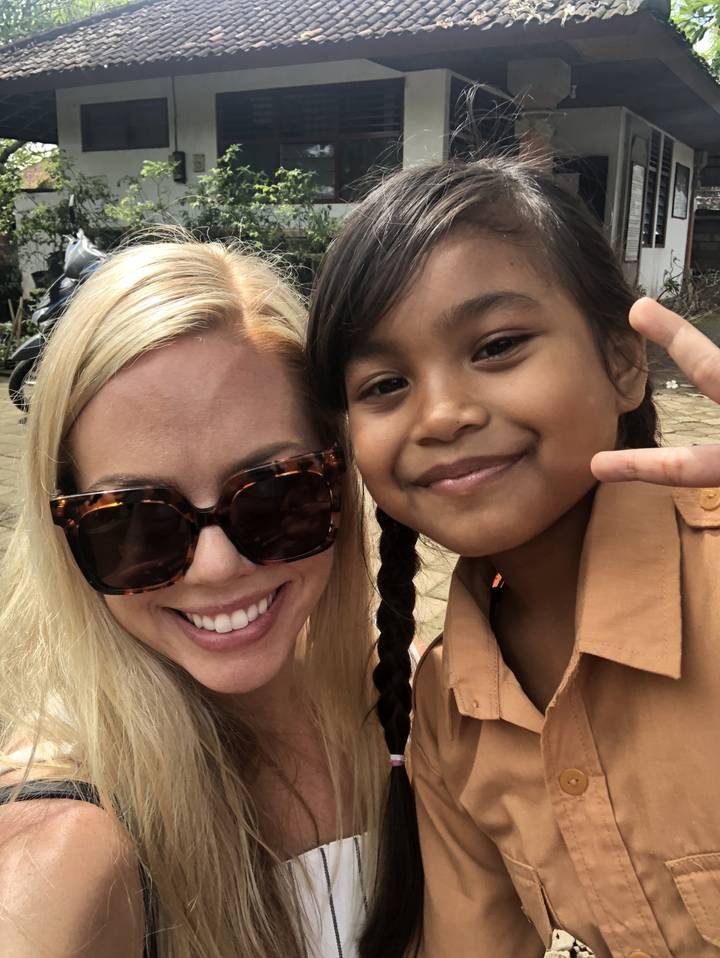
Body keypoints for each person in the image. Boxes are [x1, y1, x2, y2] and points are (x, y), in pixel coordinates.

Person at [306, 157, 720, 957]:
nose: (444, 414)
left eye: (496, 346)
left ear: (624, 362)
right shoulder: (445, 709)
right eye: (385, 384)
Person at [0, 237, 387, 958]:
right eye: (135, 523)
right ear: (68, 534)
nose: (215, 566)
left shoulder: (406, 694)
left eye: (276, 496)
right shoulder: (66, 841)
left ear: (340, 482)